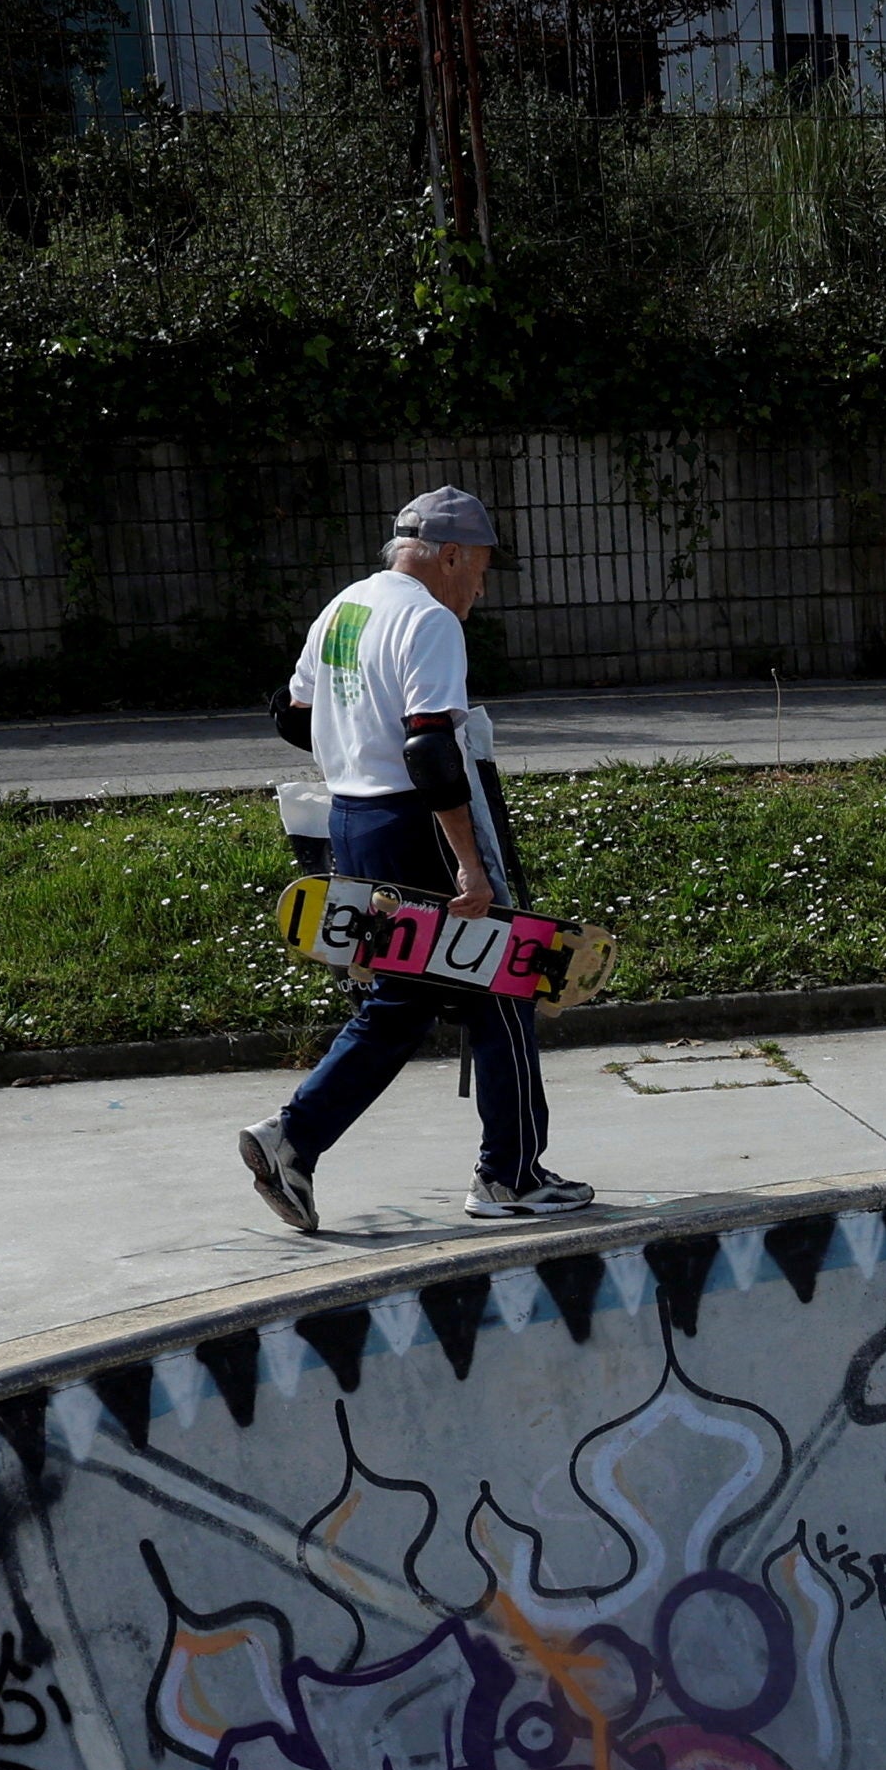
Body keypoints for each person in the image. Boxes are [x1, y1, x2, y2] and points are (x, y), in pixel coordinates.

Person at [238, 486, 592, 1230]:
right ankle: (510, 1176)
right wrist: (469, 863)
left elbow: (291, 710)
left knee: (402, 1001)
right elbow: (431, 749)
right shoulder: (429, 621)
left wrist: (354, 744)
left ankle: (292, 1139)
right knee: (506, 978)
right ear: (451, 554)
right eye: (482, 568)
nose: (481, 586)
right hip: (415, 826)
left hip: (355, 824)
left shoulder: (346, 607)